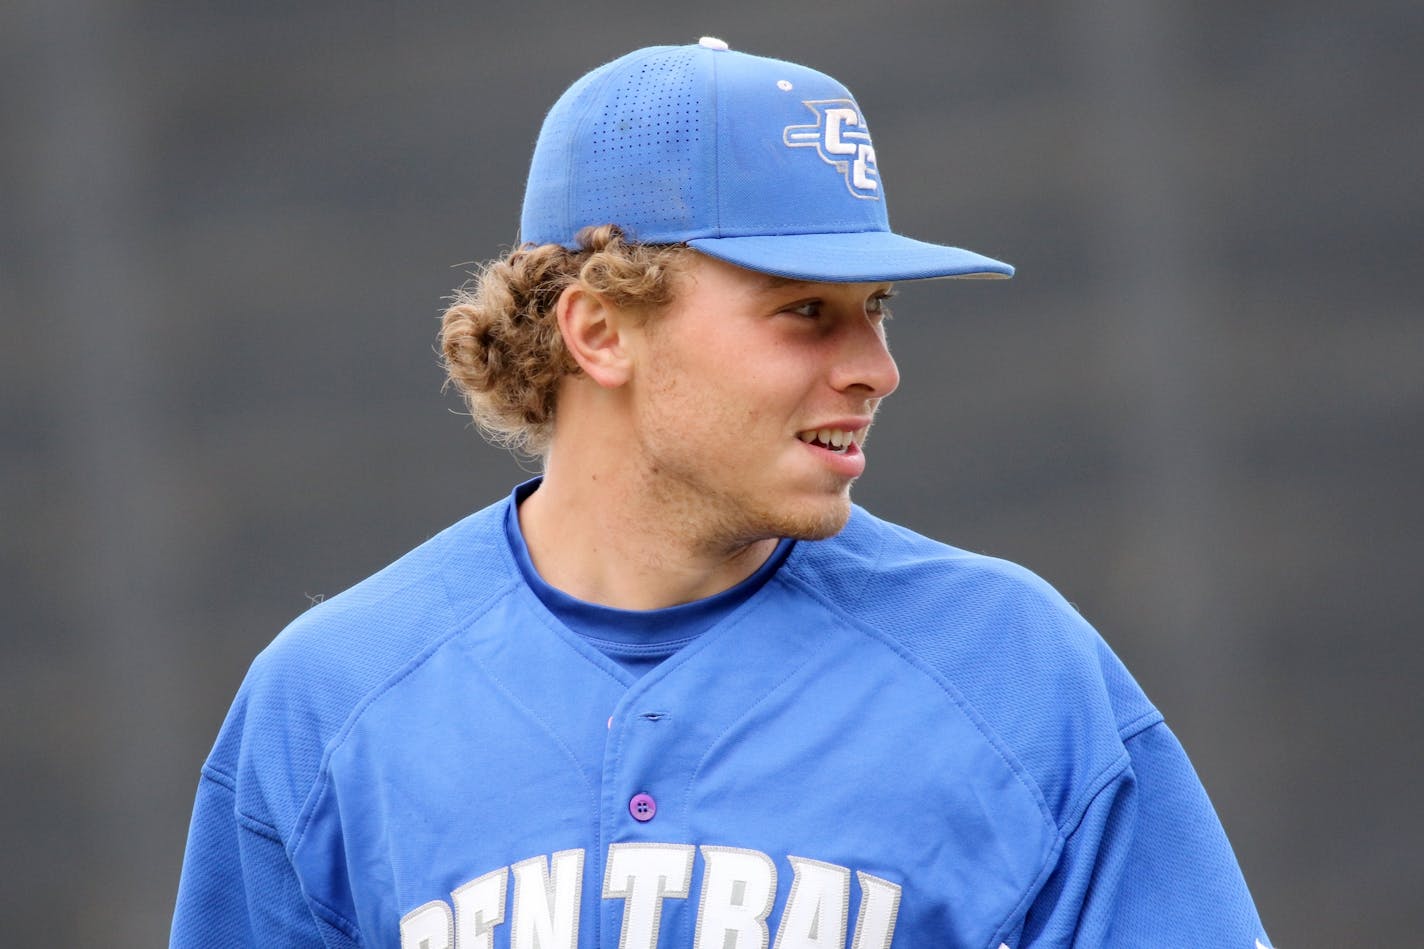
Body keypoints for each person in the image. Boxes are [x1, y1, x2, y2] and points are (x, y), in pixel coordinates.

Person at [171, 38, 1272, 948]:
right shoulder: (330, 700)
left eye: (876, 307)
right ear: (600, 330)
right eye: (804, 311)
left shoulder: (1014, 671)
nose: (873, 367)